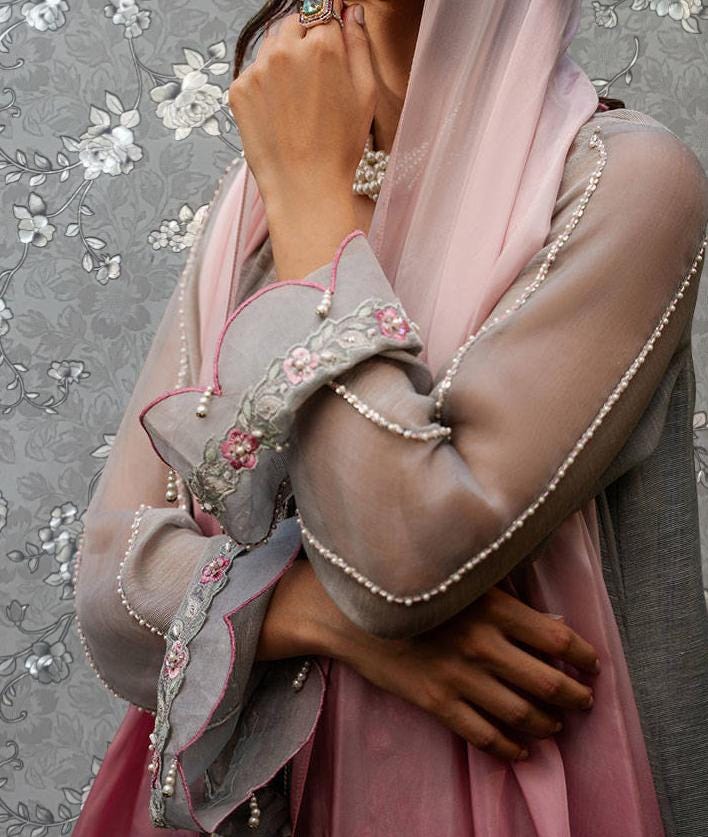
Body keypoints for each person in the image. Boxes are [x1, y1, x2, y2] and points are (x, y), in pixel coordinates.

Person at [73, 0, 708, 834]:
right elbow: (110, 585)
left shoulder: (620, 181)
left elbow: (403, 559)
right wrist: (317, 615)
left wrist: (315, 215)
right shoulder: (260, 198)